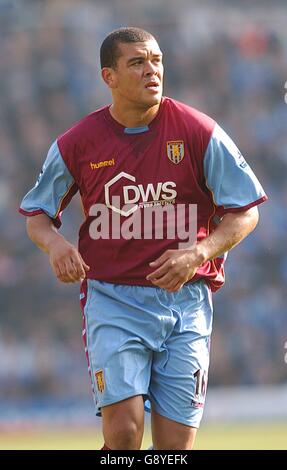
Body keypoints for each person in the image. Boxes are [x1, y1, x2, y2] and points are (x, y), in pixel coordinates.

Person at [19, 27, 267, 450]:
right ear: (108, 77)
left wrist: (200, 252)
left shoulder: (198, 131)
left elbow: (246, 211)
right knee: (123, 433)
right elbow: (38, 215)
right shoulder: (78, 143)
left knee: (173, 450)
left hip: (186, 303)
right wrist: (57, 245)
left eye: (156, 60)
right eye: (137, 62)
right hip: (113, 299)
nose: (151, 70)